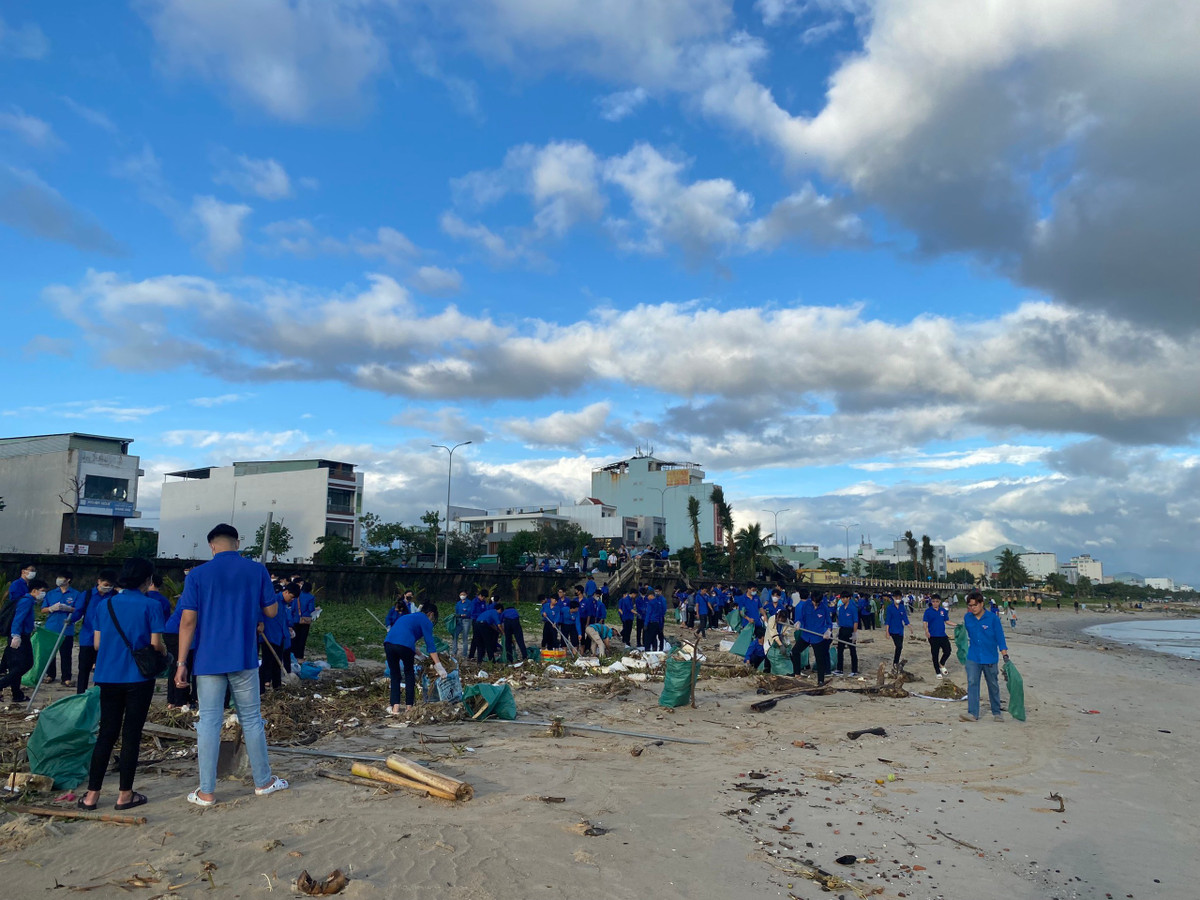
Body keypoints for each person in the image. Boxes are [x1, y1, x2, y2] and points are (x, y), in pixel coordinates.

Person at [174, 524, 288, 806]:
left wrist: (180, 662)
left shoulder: (198, 575)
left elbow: (188, 621)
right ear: (238, 543)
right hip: (244, 657)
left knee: (209, 723)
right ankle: (263, 782)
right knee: (251, 719)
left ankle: (206, 791)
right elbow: (271, 611)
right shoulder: (256, 570)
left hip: (208, 659)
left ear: (212, 546)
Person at [78, 557, 165, 812]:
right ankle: (124, 795)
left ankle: (92, 795)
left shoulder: (105, 605)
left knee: (106, 733)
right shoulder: (151, 606)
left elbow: (96, 644)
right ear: (148, 580)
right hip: (138, 678)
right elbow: (156, 644)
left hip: (107, 675)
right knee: (131, 735)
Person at [384, 603, 445, 715]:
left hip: (388, 643)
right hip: (404, 645)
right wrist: (439, 666)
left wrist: (420, 655)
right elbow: (430, 645)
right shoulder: (425, 620)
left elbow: (405, 638)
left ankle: (395, 707)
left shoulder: (409, 616)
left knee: (395, 675)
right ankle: (409, 707)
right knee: (409, 674)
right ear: (430, 614)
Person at [959, 590, 1010, 723]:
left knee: (993, 684)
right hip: (973, 657)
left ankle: (996, 712)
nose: (972, 608)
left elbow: (1000, 637)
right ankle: (972, 713)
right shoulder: (967, 618)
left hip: (990, 657)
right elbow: (964, 635)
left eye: (974, 605)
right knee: (972, 682)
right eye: (970, 606)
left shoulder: (993, 618)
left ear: (981, 604)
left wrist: (1004, 654)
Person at [0, 578, 46, 703]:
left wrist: (32, 625)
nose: (43, 594)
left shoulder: (28, 601)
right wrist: (16, 635)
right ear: (34, 591)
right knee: (25, 664)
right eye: (42, 591)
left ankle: (17, 694)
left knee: (15, 665)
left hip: (20, 635)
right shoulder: (26, 601)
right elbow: (18, 619)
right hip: (20, 637)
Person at [71, 572, 118, 694]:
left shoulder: (114, 596)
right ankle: (80, 694)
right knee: (84, 669)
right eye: (106, 584)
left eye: (110, 585)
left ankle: (99, 694)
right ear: (99, 581)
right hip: (88, 637)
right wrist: (69, 619)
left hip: (107, 639)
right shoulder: (87, 595)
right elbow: (78, 611)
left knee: (102, 669)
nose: (107, 587)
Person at [42, 573, 81, 686]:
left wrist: (68, 608)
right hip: (51, 627)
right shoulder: (51, 593)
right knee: (50, 653)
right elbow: (43, 609)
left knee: (66, 654)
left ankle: (66, 677)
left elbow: (78, 610)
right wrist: (51, 608)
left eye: (62, 578)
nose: (59, 580)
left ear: (68, 580)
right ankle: (50, 675)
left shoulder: (75, 594)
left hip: (66, 628)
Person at [791, 589, 832, 686]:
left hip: (818, 637)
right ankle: (796, 673)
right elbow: (801, 617)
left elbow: (829, 623)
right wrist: (798, 622)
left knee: (820, 659)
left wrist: (828, 631)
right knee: (795, 651)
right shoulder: (806, 605)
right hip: (806, 635)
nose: (815, 604)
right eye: (814, 602)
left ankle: (820, 680)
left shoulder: (824, 608)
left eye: (817, 603)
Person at [259, 583, 294, 692]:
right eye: (291, 597)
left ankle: (277, 687)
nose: (292, 600)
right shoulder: (272, 600)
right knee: (267, 664)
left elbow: (283, 622)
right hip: (269, 637)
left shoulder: (283, 604)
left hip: (279, 638)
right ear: (286, 592)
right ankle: (261, 690)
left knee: (277, 664)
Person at [923, 593, 952, 678]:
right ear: (931, 602)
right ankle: (937, 671)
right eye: (933, 601)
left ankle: (941, 663)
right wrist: (926, 630)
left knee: (948, 651)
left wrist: (956, 625)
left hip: (942, 635)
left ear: (940, 602)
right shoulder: (928, 611)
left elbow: (947, 621)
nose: (935, 603)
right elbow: (925, 622)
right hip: (933, 636)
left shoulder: (943, 611)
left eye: (937, 601)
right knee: (935, 654)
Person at [834, 592, 860, 677]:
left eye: (844, 598)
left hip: (850, 630)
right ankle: (839, 669)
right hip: (842, 630)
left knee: (852, 650)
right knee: (840, 650)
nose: (842, 600)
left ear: (848, 598)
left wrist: (854, 633)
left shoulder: (853, 608)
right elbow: (839, 619)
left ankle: (854, 670)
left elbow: (855, 621)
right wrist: (839, 631)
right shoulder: (841, 608)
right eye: (841, 598)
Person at [884, 593, 912, 670]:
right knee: (898, 646)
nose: (898, 599)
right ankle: (895, 663)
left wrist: (909, 625)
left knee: (900, 647)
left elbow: (905, 617)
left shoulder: (902, 607)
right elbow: (887, 620)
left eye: (899, 597)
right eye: (896, 597)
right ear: (893, 598)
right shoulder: (890, 608)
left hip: (900, 630)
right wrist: (887, 631)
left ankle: (896, 662)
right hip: (893, 630)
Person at [291, 584, 317, 659]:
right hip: (305, 620)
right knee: (302, 638)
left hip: (295, 619)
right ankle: (300, 655)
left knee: (294, 637)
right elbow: (311, 609)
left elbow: (292, 608)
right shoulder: (311, 597)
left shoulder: (297, 596)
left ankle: (293, 655)